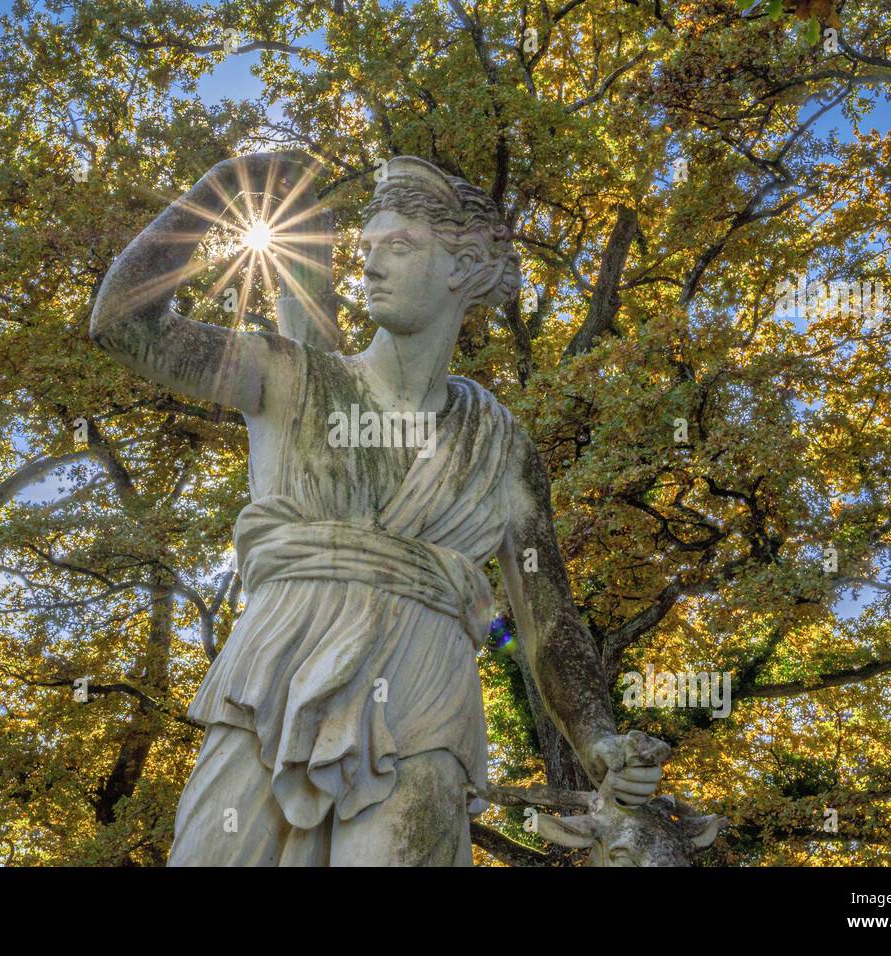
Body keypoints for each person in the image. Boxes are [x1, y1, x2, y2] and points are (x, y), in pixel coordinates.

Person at [89, 153, 666, 865]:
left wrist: (598, 736)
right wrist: (216, 192)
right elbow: (123, 325)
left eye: (399, 248)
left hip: (422, 701)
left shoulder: (499, 445)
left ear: (463, 267)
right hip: (272, 678)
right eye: (368, 249)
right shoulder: (289, 375)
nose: (372, 266)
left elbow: (547, 620)